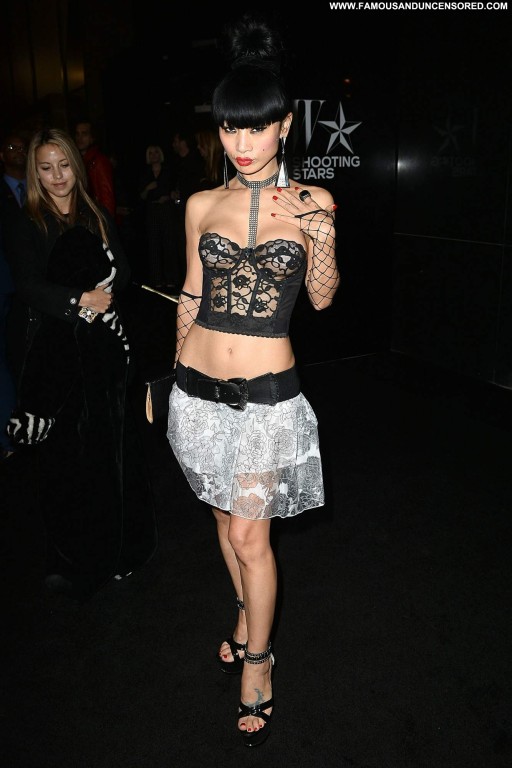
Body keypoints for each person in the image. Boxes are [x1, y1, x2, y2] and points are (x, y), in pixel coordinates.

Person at [166, 15, 339, 747]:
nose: (241, 142)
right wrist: (169, 377)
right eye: (230, 127)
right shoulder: (201, 205)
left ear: (283, 126)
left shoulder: (313, 202)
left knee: (249, 533)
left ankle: (260, 663)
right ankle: (243, 613)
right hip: (196, 390)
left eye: (256, 127)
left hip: (267, 400)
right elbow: (190, 295)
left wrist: (320, 233)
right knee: (221, 521)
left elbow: (322, 298)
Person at [6, 127, 157, 601]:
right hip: (53, 357)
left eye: (63, 165)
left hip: (99, 355)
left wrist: (105, 289)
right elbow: (28, 286)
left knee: (110, 453)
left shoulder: (94, 213)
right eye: (46, 168)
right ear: (35, 172)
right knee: (63, 463)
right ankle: (74, 558)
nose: (56, 176)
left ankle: (121, 548)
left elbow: (124, 271)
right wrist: (79, 299)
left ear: (76, 165)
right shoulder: (27, 221)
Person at [138, 144, 176, 288]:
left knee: (169, 243)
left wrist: (169, 197)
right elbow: (141, 196)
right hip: (152, 210)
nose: (154, 155)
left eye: (156, 152)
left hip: (166, 209)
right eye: (151, 153)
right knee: (154, 245)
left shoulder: (168, 171)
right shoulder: (145, 173)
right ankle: (156, 279)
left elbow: (175, 191)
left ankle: (171, 279)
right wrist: (148, 188)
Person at [74, 120, 116, 219]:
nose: (80, 138)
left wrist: (105, 222)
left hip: (98, 217)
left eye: (84, 134)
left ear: (92, 137)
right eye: (77, 134)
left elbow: (107, 197)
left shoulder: (99, 161)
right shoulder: (80, 160)